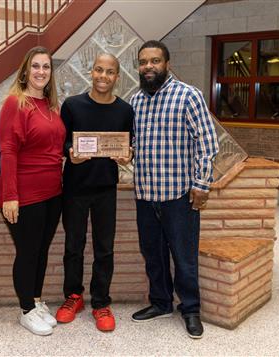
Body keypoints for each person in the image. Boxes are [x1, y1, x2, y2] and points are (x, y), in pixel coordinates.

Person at [130, 40, 219, 339]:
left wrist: (201, 185)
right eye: (143, 62)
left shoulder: (188, 96)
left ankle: (191, 309)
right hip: (145, 195)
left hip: (179, 196)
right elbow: (133, 145)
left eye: (155, 61)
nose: (149, 67)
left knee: (184, 256)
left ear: (167, 64)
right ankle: (161, 302)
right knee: (152, 254)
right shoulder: (135, 101)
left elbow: (208, 144)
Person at [55, 53, 134, 332]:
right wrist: (70, 154)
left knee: (104, 249)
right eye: (99, 70)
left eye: (110, 72)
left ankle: (100, 302)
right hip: (75, 188)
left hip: (106, 189)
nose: (103, 76)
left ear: (117, 77)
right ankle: (73, 297)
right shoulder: (73, 105)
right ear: (91, 72)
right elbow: (62, 141)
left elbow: (127, 144)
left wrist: (127, 156)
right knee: (73, 246)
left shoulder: (125, 110)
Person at [0, 46, 65, 336]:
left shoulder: (51, 106)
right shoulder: (16, 103)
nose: (41, 72)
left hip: (53, 191)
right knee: (27, 252)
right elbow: (8, 150)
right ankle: (26, 310)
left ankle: (36, 301)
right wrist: (10, 195)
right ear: (26, 71)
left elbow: (55, 147)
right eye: (35, 66)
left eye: (46, 67)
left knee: (41, 250)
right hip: (25, 192)